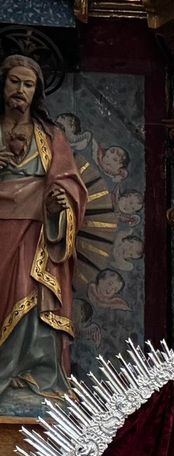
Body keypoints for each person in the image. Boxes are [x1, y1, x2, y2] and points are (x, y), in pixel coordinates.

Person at [0, 54, 88, 417]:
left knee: (33, 307)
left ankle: (29, 380)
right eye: (14, 82)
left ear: (36, 92)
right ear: (2, 84)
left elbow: (70, 186)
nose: (20, 90)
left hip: (36, 236)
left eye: (28, 84)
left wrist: (57, 204)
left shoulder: (51, 136)